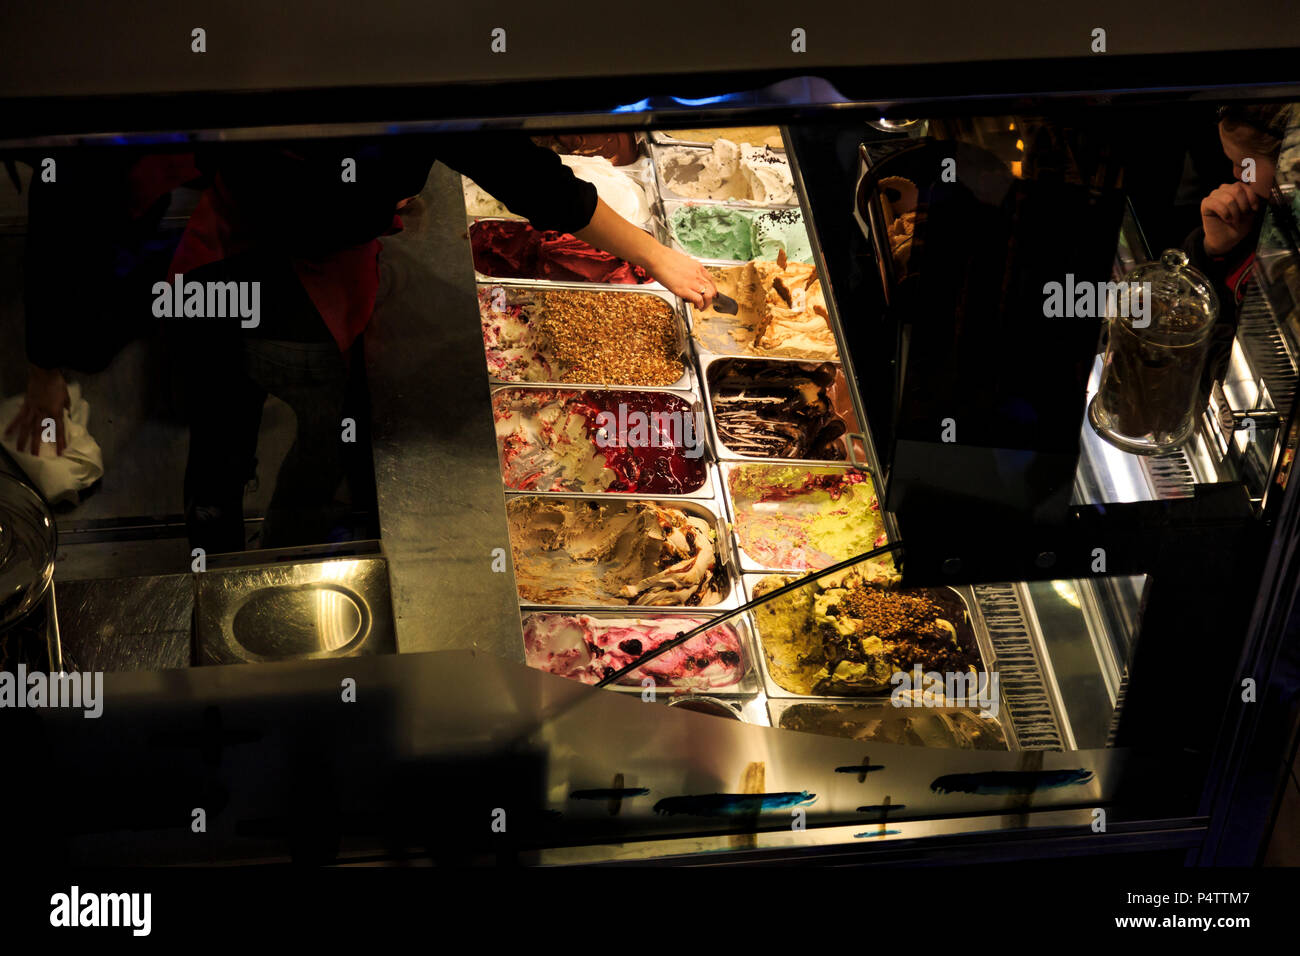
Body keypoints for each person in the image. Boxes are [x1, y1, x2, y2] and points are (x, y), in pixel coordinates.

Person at [9, 133, 720, 553]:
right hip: (298, 296)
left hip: (218, 269)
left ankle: (217, 544)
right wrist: (655, 256)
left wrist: (46, 367)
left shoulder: (246, 50)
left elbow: (72, 195)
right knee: (318, 431)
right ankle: (283, 552)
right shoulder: (421, 70)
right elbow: (532, 178)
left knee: (221, 419)